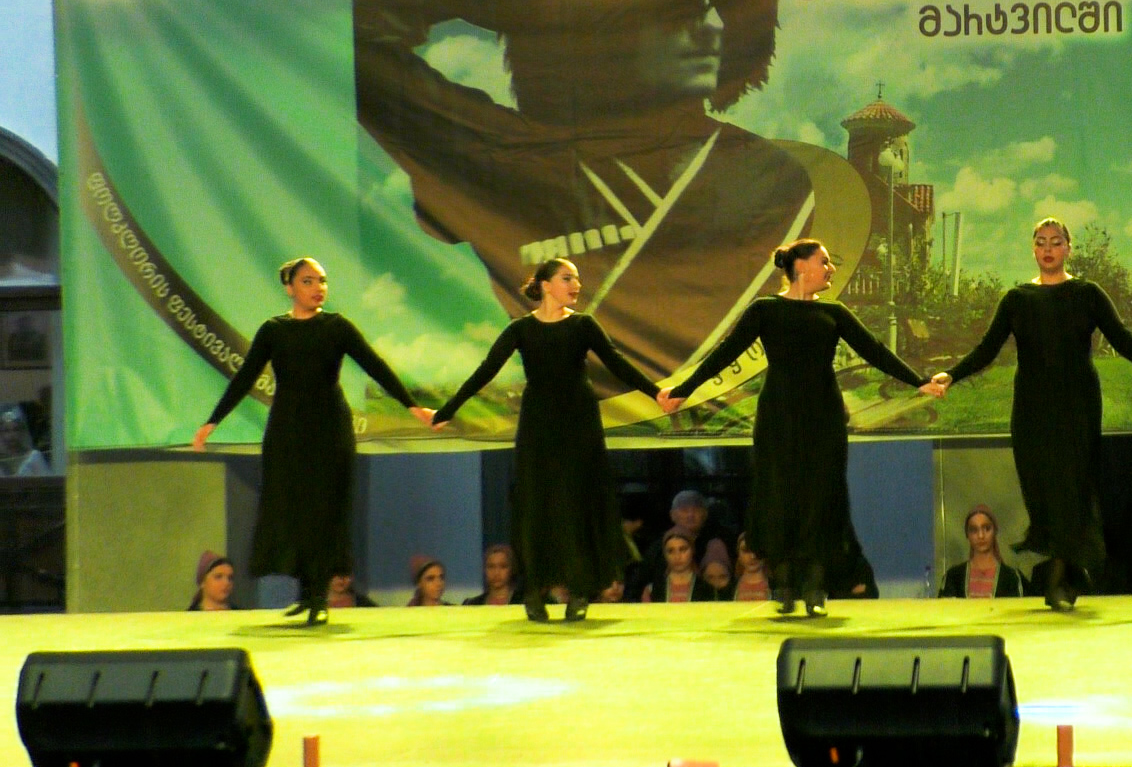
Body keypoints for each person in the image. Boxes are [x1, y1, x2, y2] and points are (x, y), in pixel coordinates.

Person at [354, 0, 837, 400]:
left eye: (715, 9)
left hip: (699, 415)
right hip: (572, 410)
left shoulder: (764, 176)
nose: (710, 31)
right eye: (682, 10)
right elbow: (362, 33)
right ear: (599, 24)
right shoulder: (505, 156)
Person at [659, 239, 936, 616]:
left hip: (823, 418)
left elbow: (875, 351)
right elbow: (725, 353)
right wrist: (682, 391)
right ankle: (785, 584)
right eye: (825, 262)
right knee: (781, 496)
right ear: (801, 267)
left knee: (821, 499)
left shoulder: (834, 313)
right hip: (779, 417)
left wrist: (919, 381)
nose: (831, 269)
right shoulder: (766, 310)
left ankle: (815, 587)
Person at [930, 218, 1132, 611]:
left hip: (1077, 405)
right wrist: (952, 375)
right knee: (1041, 488)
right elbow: (987, 348)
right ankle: (1069, 570)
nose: (1048, 249)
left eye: (1055, 242)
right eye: (1041, 242)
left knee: (1072, 487)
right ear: (1033, 249)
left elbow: (1123, 340)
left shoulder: (1087, 294)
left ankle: (1061, 576)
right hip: (1032, 408)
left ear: (1068, 247)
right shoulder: (1017, 299)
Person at [192, 257, 434, 624]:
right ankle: (306, 592)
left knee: (325, 509)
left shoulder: (337, 327)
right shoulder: (274, 331)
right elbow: (245, 377)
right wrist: (213, 420)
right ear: (289, 288)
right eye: (308, 281)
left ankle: (320, 595)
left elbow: (375, 365)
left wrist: (412, 405)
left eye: (322, 281)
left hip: (329, 429)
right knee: (292, 511)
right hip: (288, 431)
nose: (318, 288)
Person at [434, 258, 658, 623]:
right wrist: (447, 410)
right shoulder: (522, 329)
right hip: (539, 425)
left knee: (577, 501)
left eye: (577, 278)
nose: (576, 285)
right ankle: (535, 588)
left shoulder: (583, 325)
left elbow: (616, 363)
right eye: (567, 278)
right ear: (545, 285)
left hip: (579, 424)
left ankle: (580, 589)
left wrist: (657, 393)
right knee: (539, 503)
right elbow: (487, 369)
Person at [940, 506, 1027, 598]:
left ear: (995, 531)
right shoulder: (954, 577)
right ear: (967, 535)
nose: (981, 536)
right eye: (974, 530)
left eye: (987, 528)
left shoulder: (1011, 577)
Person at [731, 535, 771, 602]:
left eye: (757, 550)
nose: (752, 556)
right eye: (746, 551)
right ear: (738, 555)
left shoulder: (776, 585)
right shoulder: (731, 586)